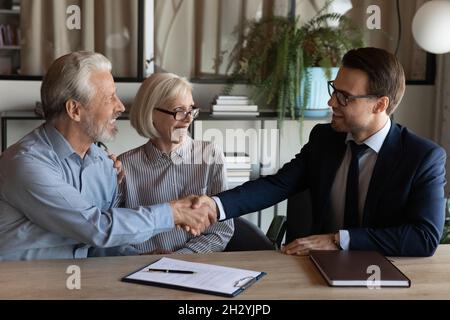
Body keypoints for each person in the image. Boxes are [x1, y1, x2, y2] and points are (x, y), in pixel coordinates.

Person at [193, 47, 446, 257]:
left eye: (345, 97)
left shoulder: (422, 157)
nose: (331, 103)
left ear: (380, 105)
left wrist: (339, 240)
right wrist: (215, 205)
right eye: (334, 90)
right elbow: (277, 185)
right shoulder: (324, 139)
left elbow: (423, 238)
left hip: (385, 276)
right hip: (317, 269)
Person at [0, 51, 214, 261]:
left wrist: (136, 258)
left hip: (81, 283)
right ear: (74, 110)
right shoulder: (26, 164)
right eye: (109, 98)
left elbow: (92, 246)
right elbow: (97, 228)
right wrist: (173, 213)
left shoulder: (104, 164)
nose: (120, 106)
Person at [114, 73, 234, 254]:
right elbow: (112, 232)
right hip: (137, 268)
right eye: (179, 110)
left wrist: (181, 257)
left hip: (196, 269)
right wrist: (140, 257)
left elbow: (221, 231)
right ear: (151, 113)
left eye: (191, 109)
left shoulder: (210, 155)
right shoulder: (124, 165)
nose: (188, 119)